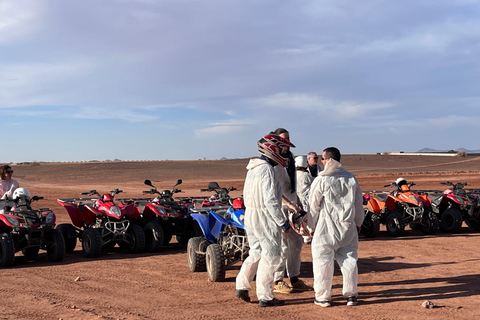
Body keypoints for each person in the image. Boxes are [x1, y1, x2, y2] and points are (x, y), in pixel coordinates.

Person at [235, 134, 295, 308]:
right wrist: (281, 221)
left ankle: (242, 286)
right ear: (272, 150)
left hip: (252, 215)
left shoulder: (253, 169)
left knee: (256, 252)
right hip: (265, 217)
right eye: (282, 150)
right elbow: (270, 200)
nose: (285, 154)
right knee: (271, 256)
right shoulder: (268, 170)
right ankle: (265, 296)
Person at [307, 147, 364, 307]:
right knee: (349, 261)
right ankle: (351, 295)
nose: (322, 162)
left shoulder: (321, 180)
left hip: (326, 228)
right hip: (348, 227)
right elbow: (358, 203)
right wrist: (358, 222)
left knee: (322, 261)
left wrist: (311, 226)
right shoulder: (350, 178)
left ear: (328, 160)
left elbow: (313, 206)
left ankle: (323, 297)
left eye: (323, 159)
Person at [271, 128, 313, 294]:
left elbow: (292, 185)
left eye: (288, 139)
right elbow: (273, 190)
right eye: (283, 139)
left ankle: (294, 278)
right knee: (282, 245)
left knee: (296, 243)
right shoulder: (274, 162)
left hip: (293, 206)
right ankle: (277, 280)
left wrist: (297, 203)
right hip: (280, 208)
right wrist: (288, 203)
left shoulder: (289, 159)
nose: (286, 142)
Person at [295, 156, 314, 244]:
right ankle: (307, 237)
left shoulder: (293, 174)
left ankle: (300, 234)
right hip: (306, 199)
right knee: (306, 218)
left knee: (298, 218)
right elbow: (313, 182)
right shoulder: (306, 175)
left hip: (296, 199)